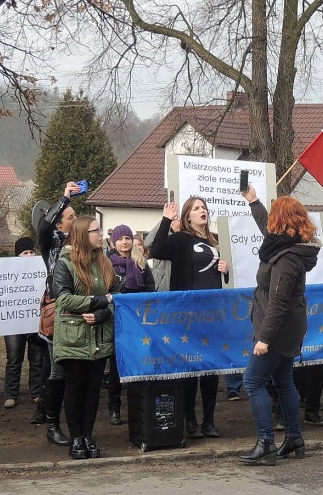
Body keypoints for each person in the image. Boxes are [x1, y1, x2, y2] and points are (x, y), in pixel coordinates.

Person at [238, 185, 321, 465]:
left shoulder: (286, 259)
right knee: (284, 381)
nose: (269, 221)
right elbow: (267, 228)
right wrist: (254, 201)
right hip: (289, 327)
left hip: (277, 330)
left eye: (273, 215)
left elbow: (278, 302)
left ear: (280, 222)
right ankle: (295, 438)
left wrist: (264, 338)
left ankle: (266, 443)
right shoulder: (288, 244)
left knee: (253, 381)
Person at [150, 195, 229, 439]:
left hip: (212, 311)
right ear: (188, 215)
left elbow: (221, 276)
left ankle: (209, 420)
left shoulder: (215, 240)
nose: (202, 210)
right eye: (196, 208)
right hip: (187, 312)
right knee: (190, 365)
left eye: (204, 207)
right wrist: (166, 220)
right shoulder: (181, 239)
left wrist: (226, 269)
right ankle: (190, 420)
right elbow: (157, 250)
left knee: (210, 367)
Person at [53, 216, 121, 459]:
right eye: (95, 231)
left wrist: (103, 313)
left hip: (99, 336)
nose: (101, 234)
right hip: (74, 337)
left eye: (101, 230)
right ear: (83, 234)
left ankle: (88, 435)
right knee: (75, 388)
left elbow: (117, 297)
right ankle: (76, 438)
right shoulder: (65, 264)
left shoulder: (105, 262)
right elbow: (63, 299)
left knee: (93, 390)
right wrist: (100, 302)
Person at [35, 181, 81, 445]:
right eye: (70, 217)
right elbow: (44, 224)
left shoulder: (81, 242)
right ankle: (51, 423)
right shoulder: (50, 241)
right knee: (58, 370)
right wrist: (64, 197)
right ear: (58, 222)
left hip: (81, 307)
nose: (75, 219)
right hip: (58, 309)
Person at [106, 224, 155, 425]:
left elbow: (151, 290)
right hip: (115, 320)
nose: (124, 242)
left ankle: (138, 407)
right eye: (120, 239)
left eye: (127, 238)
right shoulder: (106, 263)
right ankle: (114, 408)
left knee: (139, 363)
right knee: (116, 367)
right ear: (113, 242)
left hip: (138, 321)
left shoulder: (141, 262)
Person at [2, 238, 45, 410]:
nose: (29, 256)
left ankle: (35, 392)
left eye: (31, 252)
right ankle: (10, 394)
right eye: (24, 253)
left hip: (35, 321)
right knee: (14, 358)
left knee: (37, 359)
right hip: (13, 322)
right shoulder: (6, 273)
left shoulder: (42, 271)